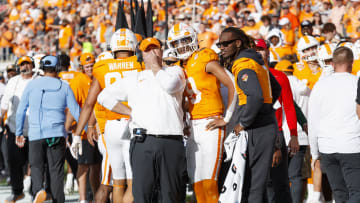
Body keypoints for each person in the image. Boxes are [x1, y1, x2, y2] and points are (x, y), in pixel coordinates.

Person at [97, 37, 187, 203]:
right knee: (142, 195)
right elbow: (103, 97)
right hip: (143, 141)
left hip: (171, 140)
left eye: (155, 48)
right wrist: (129, 112)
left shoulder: (175, 71)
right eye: (147, 50)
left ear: (161, 51)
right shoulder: (134, 78)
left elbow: (170, 85)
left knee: (171, 196)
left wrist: (155, 66)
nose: (152, 53)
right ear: (142, 54)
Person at [71, 28, 143, 203]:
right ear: (133, 45)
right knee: (133, 182)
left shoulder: (103, 67)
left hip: (110, 128)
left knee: (117, 182)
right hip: (132, 124)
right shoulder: (140, 64)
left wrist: (77, 134)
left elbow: (89, 103)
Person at [167, 22, 236, 203]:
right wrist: (184, 123)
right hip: (193, 126)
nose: (181, 46)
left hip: (210, 122)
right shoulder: (182, 66)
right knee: (196, 179)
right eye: (177, 43)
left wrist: (226, 118)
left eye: (184, 40)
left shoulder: (205, 57)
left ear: (193, 39)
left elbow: (232, 84)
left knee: (209, 179)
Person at [218, 27, 280, 203]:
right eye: (220, 44)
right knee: (255, 184)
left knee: (252, 185)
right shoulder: (256, 61)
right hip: (264, 124)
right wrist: (264, 109)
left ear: (237, 43)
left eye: (225, 43)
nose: (222, 47)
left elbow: (256, 95)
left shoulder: (243, 63)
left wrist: (243, 122)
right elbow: (275, 89)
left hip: (256, 128)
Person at [15, 55, 81, 203]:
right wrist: (84, 129)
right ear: (57, 68)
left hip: (36, 133)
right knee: (56, 172)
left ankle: (39, 190)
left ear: (42, 69)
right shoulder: (64, 86)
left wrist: (19, 132)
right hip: (57, 134)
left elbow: (20, 111)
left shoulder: (32, 85)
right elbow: (77, 111)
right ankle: (57, 200)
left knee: (36, 167)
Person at [309, 46, 360, 203]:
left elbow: (313, 121)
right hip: (352, 145)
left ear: (332, 63)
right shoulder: (356, 83)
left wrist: (315, 153)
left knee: (339, 193)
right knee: (356, 192)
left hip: (327, 146)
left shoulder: (320, 85)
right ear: (351, 62)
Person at [68, 53, 101, 203]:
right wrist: (74, 128)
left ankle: (95, 196)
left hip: (98, 129)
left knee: (96, 166)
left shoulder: (98, 77)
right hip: (82, 132)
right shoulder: (77, 81)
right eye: (87, 66)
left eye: (92, 65)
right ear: (82, 67)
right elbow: (71, 107)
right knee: (83, 165)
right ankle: (82, 199)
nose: (90, 68)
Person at [1, 56, 35, 203]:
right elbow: (4, 104)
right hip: (15, 128)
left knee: (36, 162)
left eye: (27, 63)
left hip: (35, 128)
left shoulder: (37, 80)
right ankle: (17, 191)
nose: (25, 66)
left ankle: (37, 191)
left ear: (33, 65)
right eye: (22, 64)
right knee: (14, 162)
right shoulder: (13, 82)